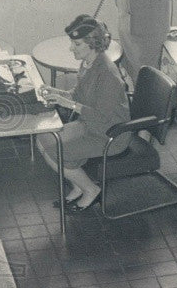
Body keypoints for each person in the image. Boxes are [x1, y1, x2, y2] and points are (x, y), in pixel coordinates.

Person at [36, 15, 131, 212]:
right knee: (44, 137)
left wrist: (69, 104)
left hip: (110, 133)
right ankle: (78, 186)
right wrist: (57, 93)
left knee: (55, 152)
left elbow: (102, 116)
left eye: (77, 44)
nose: (71, 48)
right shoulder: (88, 63)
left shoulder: (107, 73)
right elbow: (77, 94)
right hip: (89, 125)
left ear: (92, 44)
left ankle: (91, 189)